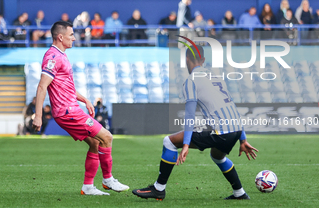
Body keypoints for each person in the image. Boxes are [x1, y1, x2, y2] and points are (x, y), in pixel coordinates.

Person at [132, 45, 258, 201]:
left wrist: (185, 144)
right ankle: (239, 193)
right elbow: (231, 106)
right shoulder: (216, 77)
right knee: (218, 156)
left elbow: (190, 115)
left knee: (169, 142)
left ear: (186, 60)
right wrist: (243, 139)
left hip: (222, 131)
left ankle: (158, 189)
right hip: (236, 129)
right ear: (203, 60)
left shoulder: (191, 80)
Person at [32, 21, 129, 195]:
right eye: (71, 35)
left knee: (95, 143)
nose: (74, 38)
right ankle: (108, 179)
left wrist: (85, 100)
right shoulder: (53, 57)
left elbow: (65, 86)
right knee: (107, 137)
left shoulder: (61, 54)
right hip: (67, 111)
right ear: (60, 37)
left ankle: (88, 187)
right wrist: (38, 115)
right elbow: (42, 86)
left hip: (72, 108)